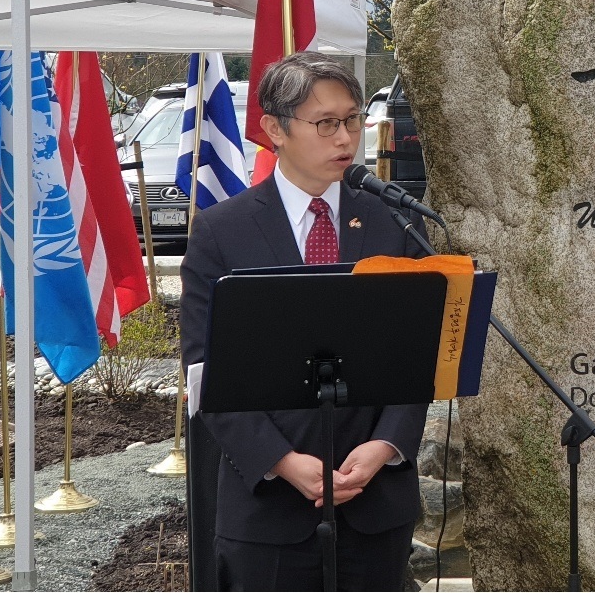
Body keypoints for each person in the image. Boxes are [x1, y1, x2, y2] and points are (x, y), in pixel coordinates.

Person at [180, 51, 429, 591]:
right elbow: (205, 373)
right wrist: (284, 461)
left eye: (353, 120)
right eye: (325, 124)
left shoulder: (395, 224)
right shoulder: (222, 234)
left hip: (376, 504)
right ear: (275, 129)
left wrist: (385, 446)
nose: (344, 139)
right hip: (267, 511)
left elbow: (420, 357)